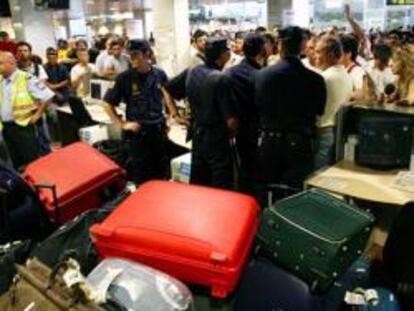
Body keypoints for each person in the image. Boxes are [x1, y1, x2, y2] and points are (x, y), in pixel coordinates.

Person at [255, 26, 326, 200]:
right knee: (295, 196)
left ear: (280, 45)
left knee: (267, 191)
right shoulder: (315, 80)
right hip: (300, 145)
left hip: (269, 142)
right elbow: (319, 111)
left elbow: (257, 106)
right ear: (303, 46)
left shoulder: (262, 76)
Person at [167, 38, 237, 190]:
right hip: (217, 138)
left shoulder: (192, 70)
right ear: (224, 55)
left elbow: (167, 88)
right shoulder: (221, 79)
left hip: (197, 134)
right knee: (220, 184)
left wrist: (175, 115)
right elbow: (230, 121)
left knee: (199, 181)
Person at [103, 39, 174, 185]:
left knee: (161, 174)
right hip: (138, 135)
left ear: (147, 54)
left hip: (158, 132)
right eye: (130, 55)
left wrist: (169, 117)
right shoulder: (125, 78)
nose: (132, 58)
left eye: (135, 55)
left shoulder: (160, 75)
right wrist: (122, 124)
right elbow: (107, 104)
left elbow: (167, 97)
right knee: (142, 177)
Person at [225, 33, 266, 194]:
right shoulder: (261, 75)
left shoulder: (229, 73)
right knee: (256, 170)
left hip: (237, 128)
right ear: (262, 51)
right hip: (257, 129)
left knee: (243, 167)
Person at [0, 52, 54, 169]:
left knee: (30, 161)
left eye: (0, 63)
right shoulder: (1, 80)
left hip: (23, 126)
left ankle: (35, 184)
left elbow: (47, 96)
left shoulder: (26, 78)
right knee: (15, 161)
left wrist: (38, 115)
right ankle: (22, 185)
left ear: (11, 62)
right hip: (6, 128)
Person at [314, 36, 353, 170]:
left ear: (330, 55)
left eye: (319, 52)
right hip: (337, 132)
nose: (315, 56)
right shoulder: (347, 75)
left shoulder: (324, 78)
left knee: (316, 176)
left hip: (322, 133)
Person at [16, 41, 52, 155]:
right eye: (20, 51)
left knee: (43, 136)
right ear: (16, 53)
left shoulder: (38, 68)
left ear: (30, 53)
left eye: (25, 51)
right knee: (27, 140)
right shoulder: (14, 70)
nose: (23, 53)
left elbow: (43, 87)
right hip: (21, 109)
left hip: (38, 107)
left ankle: (48, 159)